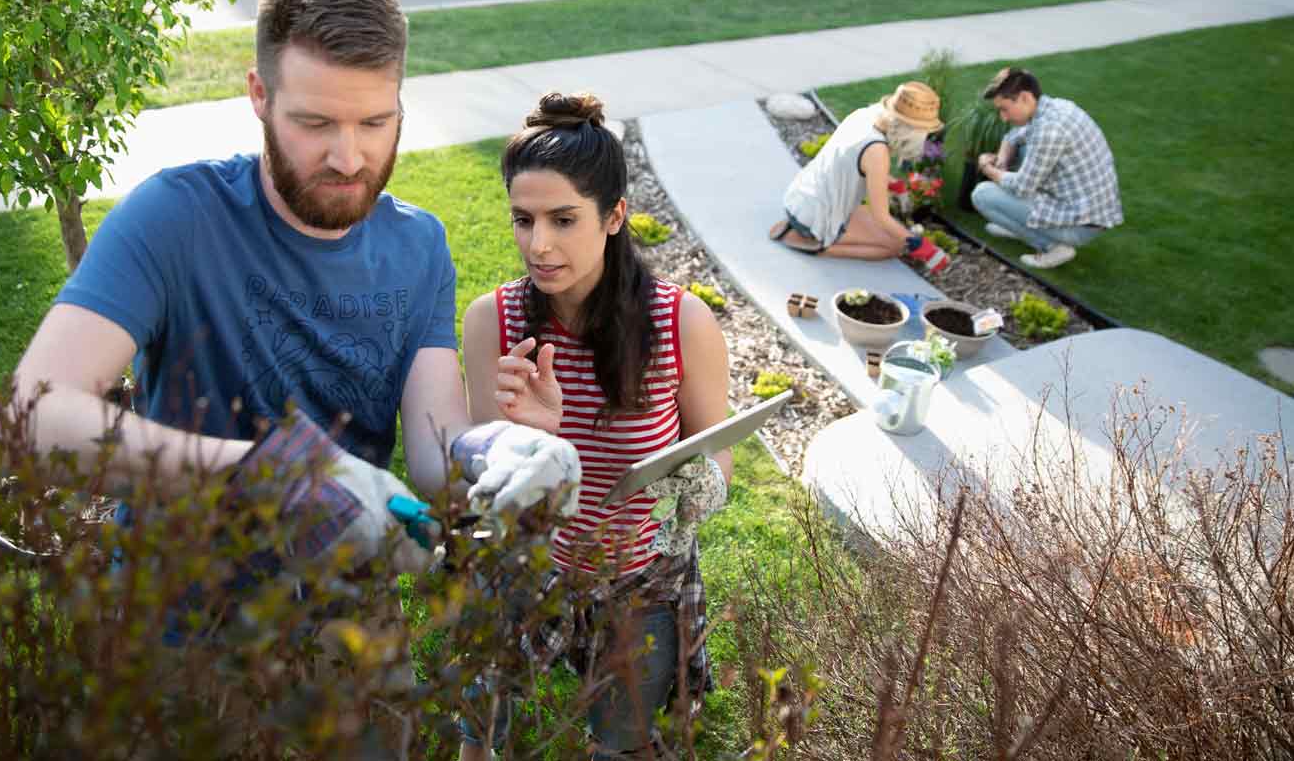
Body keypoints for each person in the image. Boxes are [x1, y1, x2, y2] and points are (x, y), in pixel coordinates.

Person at [2, 0, 581, 634]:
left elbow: (433, 448)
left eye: (374, 121)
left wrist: (498, 452)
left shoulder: (420, 245)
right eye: (315, 123)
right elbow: (33, 418)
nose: (349, 157)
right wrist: (271, 476)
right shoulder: (174, 218)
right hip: (182, 646)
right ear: (259, 95)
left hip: (354, 645)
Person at [456, 92, 733, 759]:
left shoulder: (681, 324)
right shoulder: (492, 321)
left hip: (640, 577)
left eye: (562, 219)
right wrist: (539, 441)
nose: (538, 245)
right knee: (480, 726)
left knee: (622, 742)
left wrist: (698, 488)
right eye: (522, 219)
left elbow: (716, 457)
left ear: (614, 216)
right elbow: (492, 493)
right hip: (526, 568)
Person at [768, 80, 951, 275]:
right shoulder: (877, 151)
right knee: (895, 246)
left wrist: (895, 185)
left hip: (802, 196)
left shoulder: (865, 116)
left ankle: (804, 231)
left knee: (887, 229)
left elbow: (851, 161)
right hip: (816, 215)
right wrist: (924, 247)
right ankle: (816, 246)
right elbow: (882, 217)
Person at [973, 67, 1122, 269]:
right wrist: (1001, 159)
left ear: (1025, 98)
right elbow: (1014, 136)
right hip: (1087, 210)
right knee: (1021, 146)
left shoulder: (1049, 131)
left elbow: (1021, 188)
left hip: (1079, 225)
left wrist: (987, 168)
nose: (1003, 117)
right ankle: (1017, 223)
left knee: (982, 195)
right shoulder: (1055, 107)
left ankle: (1051, 246)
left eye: (1004, 109)